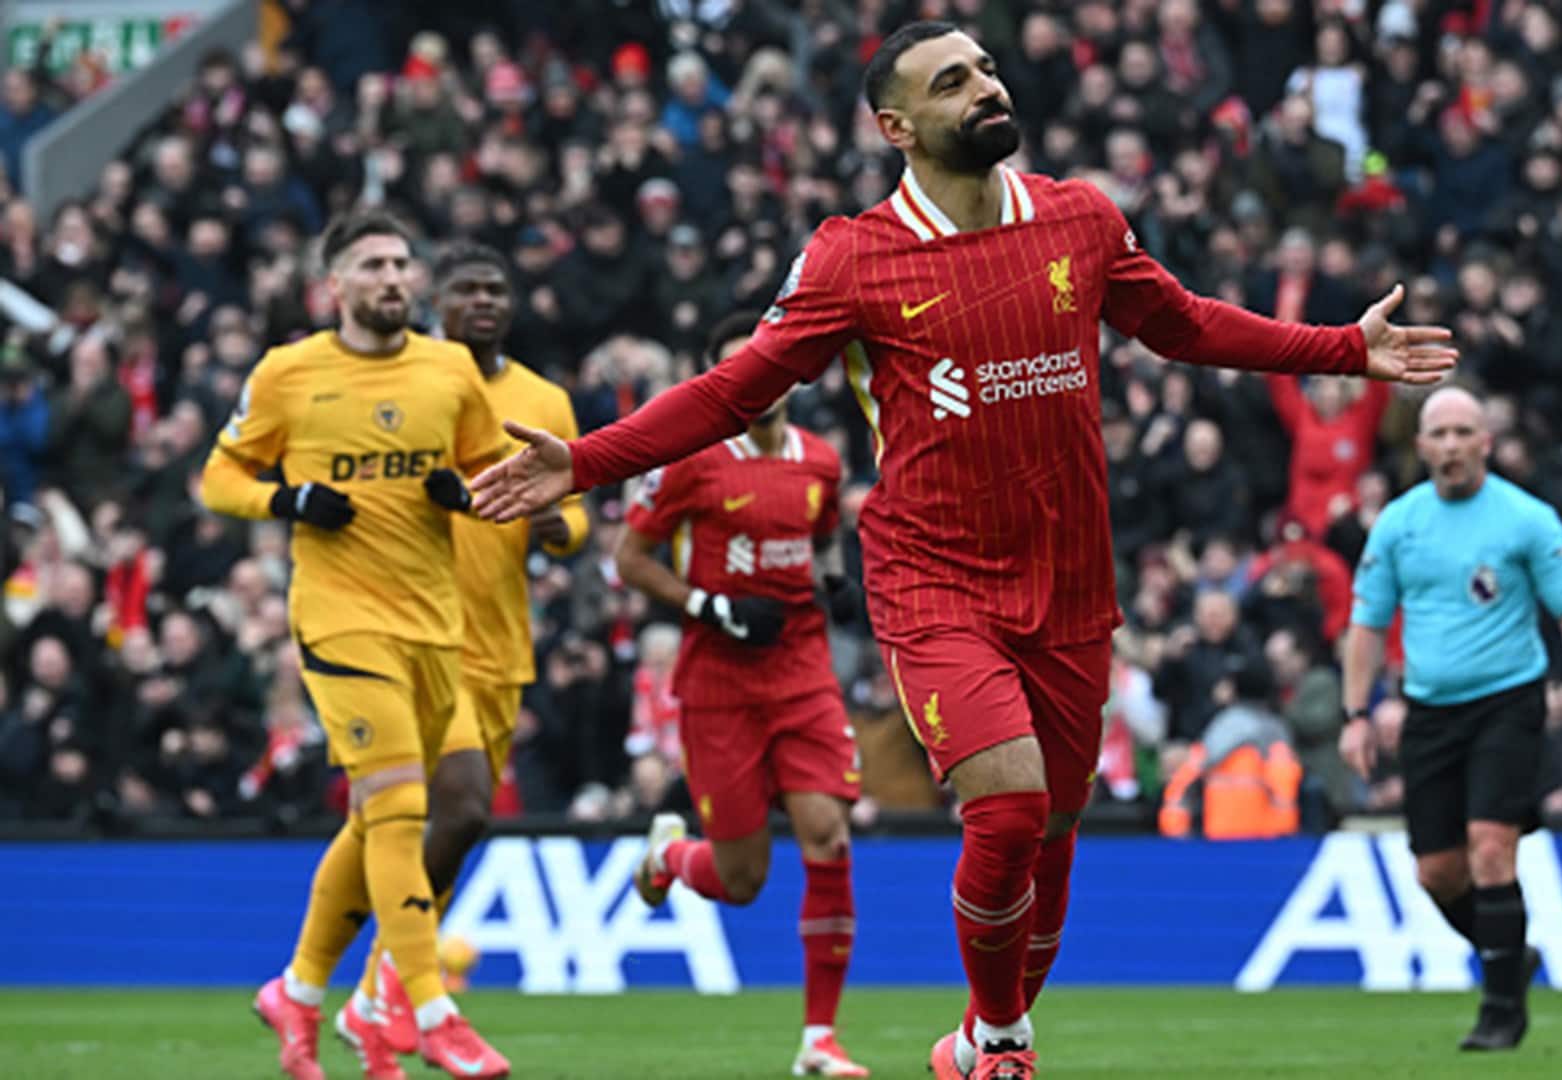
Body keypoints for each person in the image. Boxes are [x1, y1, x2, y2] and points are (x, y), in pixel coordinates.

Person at [469, 22, 1455, 1080]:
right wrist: (587, 461)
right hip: (933, 577)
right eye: (952, 81)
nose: (986, 87)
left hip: (1070, 579)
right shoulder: (854, 256)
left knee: (1056, 829)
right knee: (1010, 807)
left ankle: (980, 1040)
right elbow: (732, 391)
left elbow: (1182, 323)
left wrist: (1341, 349)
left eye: (985, 68)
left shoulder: (1079, 217)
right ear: (896, 127)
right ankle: (1003, 1041)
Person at [198, 210, 512, 1080]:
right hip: (341, 620)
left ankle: (298, 991)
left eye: (402, 264)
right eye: (372, 265)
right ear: (333, 285)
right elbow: (218, 476)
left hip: (436, 624)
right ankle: (427, 1010)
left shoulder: (450, 370)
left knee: (424, 809)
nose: (392, 278)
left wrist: (462, 494)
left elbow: (492, 472)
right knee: (400, 808)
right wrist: (284, 501)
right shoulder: (288, 372)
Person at [339, 242, 588, 1076]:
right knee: (447, 811)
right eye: (467, 289)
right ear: (434, 302)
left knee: (444, 825)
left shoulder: (544, 399)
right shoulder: (402, 383)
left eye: (496, 288)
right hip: (406, 635)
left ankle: (368, 994)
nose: (484, 301)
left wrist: (560, 528)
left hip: (497, 647)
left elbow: (578, 511)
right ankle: (375, 990)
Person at [616, 310, 868, 1078]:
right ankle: (669, 854)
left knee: (829, 837)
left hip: (801, 671)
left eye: (766, 364)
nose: (757, 380)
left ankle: (819, 1040)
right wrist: (708, 606)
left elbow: (821, 540)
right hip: (719, 682)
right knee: (742, 880)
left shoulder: (820, 460)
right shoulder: (689, 460)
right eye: (738, 368)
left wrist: (835, 582)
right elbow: (630, 558)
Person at [1340, 387, 1562, 1052]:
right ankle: (1509, 954)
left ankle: (1501, 1011)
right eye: (1438, 435)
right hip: (1430, 710)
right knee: (1436, 872)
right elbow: (1367, 624)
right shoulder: (1399, 524)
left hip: (1507, 701)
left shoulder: (1525, 518)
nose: (1451, 446)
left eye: (1463, 433)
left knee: (1492, 847)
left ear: (1485, 443)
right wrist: (1356, 714)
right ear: (1421, 447)